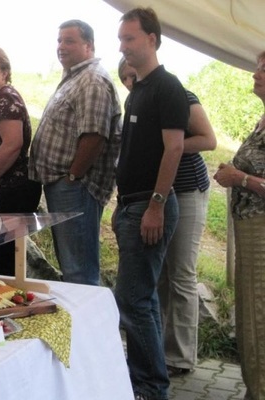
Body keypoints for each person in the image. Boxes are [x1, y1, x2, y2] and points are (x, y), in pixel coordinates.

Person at [118, 58, 217, 377]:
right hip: (152, 195)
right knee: (157, 276)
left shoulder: (179, 95)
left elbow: (209, 139)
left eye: (133, 76)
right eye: (125, 79)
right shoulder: (138, 100)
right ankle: (156, 352)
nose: (131, 83)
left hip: (186, 191)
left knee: (182, 274)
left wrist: (166, 146)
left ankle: (180, 356)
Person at [114, 8, 188, 400]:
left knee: (133, 298)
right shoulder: (139, 89)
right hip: (131, 205)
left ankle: (151, 387)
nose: (123, 46)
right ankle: (142, 379)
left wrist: (156, 205)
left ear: (152, 39)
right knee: (138, 297)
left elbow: (174, 148)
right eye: (121, 39)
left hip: (150, 205)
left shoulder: (167, 87)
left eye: (130, 38)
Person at [28, 19, 122, 285]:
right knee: (72, 265)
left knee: (79, 269)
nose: (61, 47)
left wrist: (72, 176)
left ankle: (87, 325)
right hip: (66, 186)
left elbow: (94, 136)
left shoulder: (92, 80)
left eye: (69, 41)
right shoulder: (77, 77)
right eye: (59, 40)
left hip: (77, 188)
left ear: (88, 46)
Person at [213, 51, 265, 400]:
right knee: (248, 317)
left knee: (259, 317)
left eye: (264, 67)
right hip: (249, 230)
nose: (255, 72)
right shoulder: (262, 120)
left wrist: (241, 177)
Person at [0, 47, 41, 276]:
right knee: (2, 258)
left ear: (5, 72)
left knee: (3, 261)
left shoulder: (5, 99)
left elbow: (12, 144)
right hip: (10, 189)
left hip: (11, 190)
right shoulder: (1, 99)